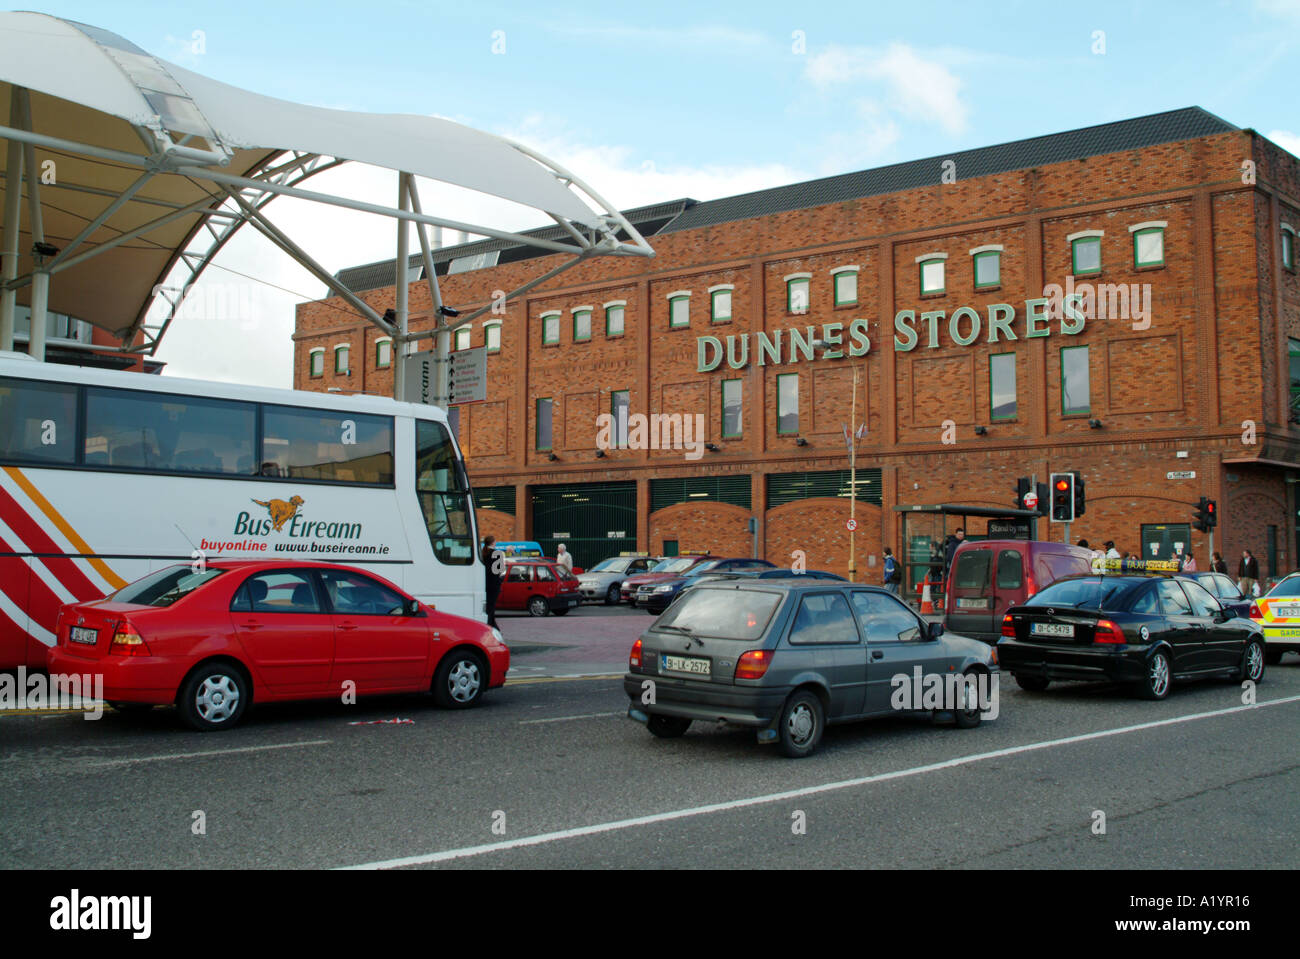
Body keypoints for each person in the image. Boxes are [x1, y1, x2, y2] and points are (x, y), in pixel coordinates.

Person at [481, 535, 505, 629]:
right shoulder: (497, 553)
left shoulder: (482, 553)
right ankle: (490, 625)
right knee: (491, 606)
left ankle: (492, 625)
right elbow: (500, 570)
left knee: (488, 606)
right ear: (493, 542)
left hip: (484, 583)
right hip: (494, 584)